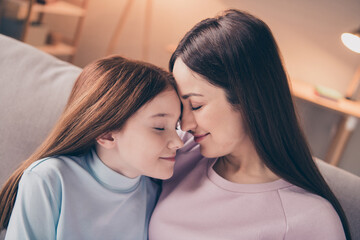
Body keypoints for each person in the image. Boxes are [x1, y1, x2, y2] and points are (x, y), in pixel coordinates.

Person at [149, 9, 351, 240]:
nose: (184, 125)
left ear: (247, 99)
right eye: (181, 107)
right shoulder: (177, 150)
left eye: (195, 106)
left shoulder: (308, 219)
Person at [0, 55, 183, 240]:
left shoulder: (155, 193)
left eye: (176, 126)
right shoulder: (50, 179)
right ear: (107, 134)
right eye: (160, 127)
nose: (179, 142)